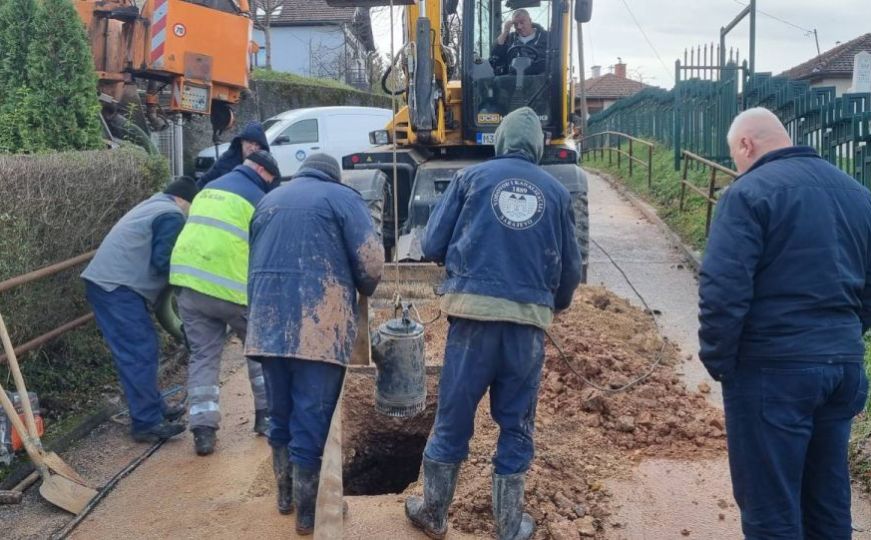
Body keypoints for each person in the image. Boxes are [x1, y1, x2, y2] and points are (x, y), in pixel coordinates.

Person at [405, 107, 582, 540]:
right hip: (526, 330)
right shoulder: (557, 193)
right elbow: (571, 271)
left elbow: (431, 244)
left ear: (500, 141)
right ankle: (507, 525)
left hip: (472, 324)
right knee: (516, 422)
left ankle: (434, 513)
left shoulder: (470, 179)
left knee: (453, 417)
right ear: (538, 147)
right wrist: (550, 307)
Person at [698, 107, 871, 539]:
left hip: (771, 371)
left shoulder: (749, 193)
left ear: (746, 145)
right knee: (827, 501)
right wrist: (845, 336)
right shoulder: (857, 194)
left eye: (735, 156)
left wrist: (721, 361)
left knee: (771, 509)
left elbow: (723, 289)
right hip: (842, 369)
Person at [245, 153, 383, 534]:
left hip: (266, 324)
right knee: (312, 416)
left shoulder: (268, 201)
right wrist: (365, 289)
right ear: (333, 175)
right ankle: (308, 513)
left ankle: (285, 497)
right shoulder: (343, 199)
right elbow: (370, 264)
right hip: (318, 324)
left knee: (280, 412)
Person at [169, 150, 281, 456]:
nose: (270, 185)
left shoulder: (208, 190)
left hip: (189, 285)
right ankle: (267, 416)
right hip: (232, 289)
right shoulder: (258, 198)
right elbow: (266, 250)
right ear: (260, 169)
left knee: (203, 356)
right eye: (270, 178)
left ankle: (203, 430)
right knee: (260, 350)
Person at [81, 177, 198, 442]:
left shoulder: (154, 204)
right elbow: (163, 263)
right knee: (138, 350)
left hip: (114, 284)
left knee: (144, 346)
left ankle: (154, 408)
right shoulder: (171, 215)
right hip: (117, 288)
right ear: (184, 201)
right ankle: (146, 422)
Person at [197, 121, 270, 189]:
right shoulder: (227, 159)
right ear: (242, 141)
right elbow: (205, 180)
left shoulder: (265, 165)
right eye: (250, 142)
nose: (253, 148)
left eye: (257, 145)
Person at [490, 9, 549, 76]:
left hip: (540, 81)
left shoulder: (546, 37)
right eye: (515, 24)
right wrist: (505, 31)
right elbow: (495, 54)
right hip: (512, 80)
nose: (519, 27)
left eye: (522, 22)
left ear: (530, 20)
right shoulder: (510, 38)